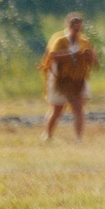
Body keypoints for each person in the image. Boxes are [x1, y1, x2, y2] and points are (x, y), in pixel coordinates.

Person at [40, 13, 97, 141]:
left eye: (79, 30)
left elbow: (90, 59)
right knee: (57, 110)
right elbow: (53, 56)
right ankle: (48, 135)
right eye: (75, 29)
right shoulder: (59, 40)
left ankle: (78, 138)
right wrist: (72, 55)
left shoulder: (84, 41)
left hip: (77, 80)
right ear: (69, 27)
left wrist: (91, 56)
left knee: (78, 108)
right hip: (59, 79)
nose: (77, 32)